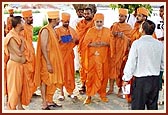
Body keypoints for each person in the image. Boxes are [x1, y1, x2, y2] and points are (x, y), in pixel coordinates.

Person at [122, 20, 164, 110]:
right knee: (152, 107)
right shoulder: (159, 44)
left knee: (138, 107)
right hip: (154, 80)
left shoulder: (137, 44)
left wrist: (126, 78)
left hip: (141, 81)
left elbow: (131, 63)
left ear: (142, 30)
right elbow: (163, 64)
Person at [34, 11, 64, 110]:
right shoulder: (45, 30)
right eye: (58, 19)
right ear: (54, 20)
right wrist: (48, 63)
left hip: (54, 61)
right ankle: (44, 103)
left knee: (52, 81)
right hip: (47, 61)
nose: (59, 21)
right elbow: (43, 47)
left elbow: (51, 45)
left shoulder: (53, 30)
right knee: (45, 81)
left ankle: (50, 101)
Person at [81, 13, 111, 104]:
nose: (99, 23)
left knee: (104, 77)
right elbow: (84, 44)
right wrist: (91, 44)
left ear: (103, 22)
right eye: (97, 22)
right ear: (94, 22)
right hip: (92, 58)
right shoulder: (90, 31)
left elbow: (112, 44)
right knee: (90, 77)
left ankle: (102, 94)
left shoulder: (107, 31)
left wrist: (105, 44)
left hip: (103, 59)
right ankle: (89, 95)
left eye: (100, 22)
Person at [107, 8, 132, 98]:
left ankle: (121, 89)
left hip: (123, 52)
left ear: (126, 17)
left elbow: (130, 40)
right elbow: (109, 35)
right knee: (112, 69)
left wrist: (123, 36)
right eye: (119, 16)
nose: (120, 17)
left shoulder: (128, 27)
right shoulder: (114, 25)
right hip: (114, 51)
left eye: (122, 16)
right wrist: (114, 35)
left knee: (121, 71)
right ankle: (110, 88)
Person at [4, 16, 26, 110]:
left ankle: (19, 107)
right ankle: (11, 109)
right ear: (18, 24)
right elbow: (19, 53)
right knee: (14, 88)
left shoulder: (18, 35)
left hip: (19, 65)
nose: (24, 23)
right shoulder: (11, 37)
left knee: (19, 87)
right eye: (23, 21)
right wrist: (23, 43)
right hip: (14, 66)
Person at [55, 12, 78, 101]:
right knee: (61, 74)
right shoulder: (57, 30)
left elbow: (77, 41)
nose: (66, 23)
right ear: (61, 21)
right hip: (60, 56)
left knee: (70, 74)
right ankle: (61, 93)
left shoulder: (72, 30)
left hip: (69, 56)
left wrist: (74, 40)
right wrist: (60, 40)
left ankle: (71, 92)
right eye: (64, 22)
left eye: (67, 22)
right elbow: (54, 42)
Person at [76, 7, 95, 95]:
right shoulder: (80, 24)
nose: (86, 15)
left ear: (92, 14)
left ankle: (91, 85)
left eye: (88, 13)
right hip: (83, 49)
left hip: (93, 50)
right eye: (85, 14)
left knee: (92, 68)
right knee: (83, 67)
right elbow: (77, 36)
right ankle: (83, 85)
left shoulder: (96, 23)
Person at [20, 10, 37, 106]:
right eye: (30, 17)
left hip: (32, 53)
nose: (32, 18)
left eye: (32, 17)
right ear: (25, 19)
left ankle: (31, 91)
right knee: (27, 75)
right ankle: (26, 95)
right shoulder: (22, 29)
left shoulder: (30, 27)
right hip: (26, 55)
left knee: (32, 74)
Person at [154, 5, 164, 105]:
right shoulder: (156, 20)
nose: (161, 13)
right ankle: (159, 96)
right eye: (160, 11)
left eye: (162, 11)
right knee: (160, 72)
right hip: (158, 47)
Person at [70, 8, 84, 72]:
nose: (80, 13)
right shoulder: (74, 21)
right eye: (79, 12)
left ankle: (83, 66)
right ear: (76, 12)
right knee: (77, 53)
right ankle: (78, 67)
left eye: (82, 12)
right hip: (77, 40)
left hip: (84, 40)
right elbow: (72, 30)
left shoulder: (84, 21)